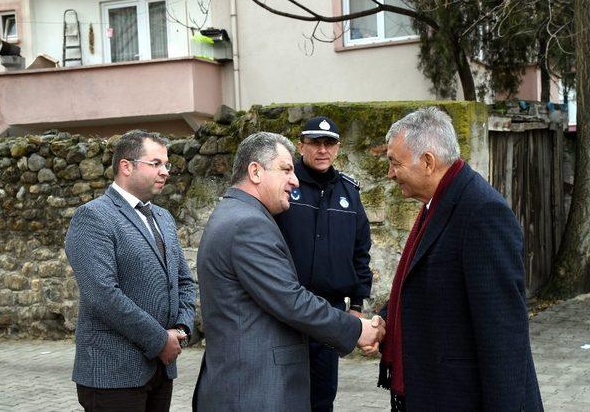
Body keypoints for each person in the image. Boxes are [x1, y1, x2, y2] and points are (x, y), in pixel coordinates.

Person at [193, 132, 385, 411]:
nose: (295, 181)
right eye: (286, 170)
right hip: (254, 391)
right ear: (255, 172)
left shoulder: (238, 213)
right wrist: (358, 329)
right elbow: (291, 301)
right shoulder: (248, 224)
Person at [378, 107, 543, 411]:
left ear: (428, 162)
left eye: (395, 163)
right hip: (433, 391)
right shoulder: (439, 202)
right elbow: (425, 285)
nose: (390, 173)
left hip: (461, 397)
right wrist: (386, 318)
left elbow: (503, 333)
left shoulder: (481, 212)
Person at [65, 130, 196, 412]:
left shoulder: (163, 217)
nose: (165, 172)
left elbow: (183, 281)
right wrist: (160, 340)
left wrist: (182, 330)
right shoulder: (94, 216)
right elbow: (103, 295)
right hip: (113, 375)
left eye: (167, 165)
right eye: (156, 163)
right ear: (126, 166)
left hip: (160, 371)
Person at [275, 116, 372, 412]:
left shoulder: (349, 193)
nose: (322, 150)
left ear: (338, 148)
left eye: (329, 143)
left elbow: (360, 251)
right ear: (301, 146)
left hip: (329, 311)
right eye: (315, 142)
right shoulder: (284, 186)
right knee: (282, 393)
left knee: (321, 397)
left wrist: (356, 306)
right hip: (286, 311)